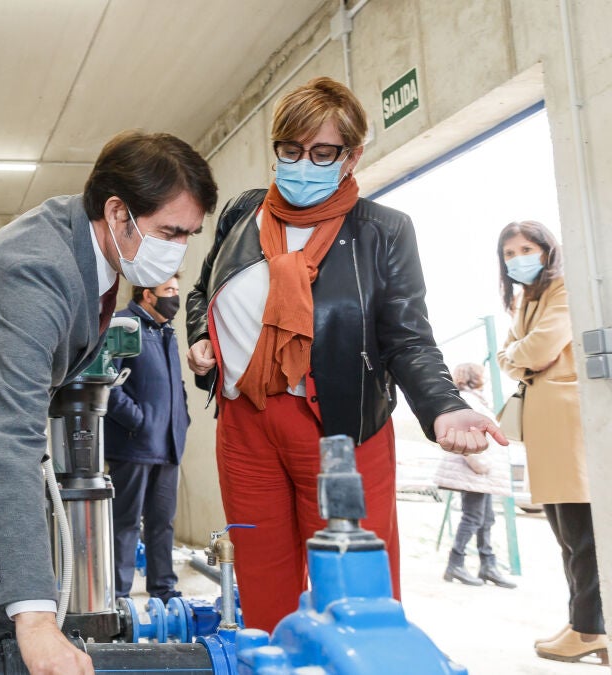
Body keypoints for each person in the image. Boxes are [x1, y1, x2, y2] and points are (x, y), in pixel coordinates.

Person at [0, 131, 217, 674]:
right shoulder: (37, 274)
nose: (179, 249)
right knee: (16, 590)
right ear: (118, 212)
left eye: (189, 235)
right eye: (170, 232)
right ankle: (9, 653)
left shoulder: (91, 242)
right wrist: (37, 622)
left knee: (16, 565)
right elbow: (8, 437)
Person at [184, 77, 506, 634]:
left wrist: (444, 405)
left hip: (341, 427)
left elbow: (406, 336)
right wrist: (201, 337)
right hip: (245, 425)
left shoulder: (384, 231)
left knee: (354, 584)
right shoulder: (242, 213)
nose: (301, 164)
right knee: (261, 577)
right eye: (290, 150)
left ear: (352, 156)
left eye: (322, 153)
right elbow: (200, 292)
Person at [496, 221, 606, 663]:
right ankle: (583, 621)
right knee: (566, 533)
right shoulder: (528, 298)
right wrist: (519, 357)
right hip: (547, 425)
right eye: (509, 253)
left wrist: (518, 357)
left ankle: (591, 628)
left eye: (526, 249)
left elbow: (537, 350)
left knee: (582, 531)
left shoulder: (563, 288)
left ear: (547, 250)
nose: (517, 258)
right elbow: (507, 355)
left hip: (566, 421)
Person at [104, 275, 190, 602]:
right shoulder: (123, 325)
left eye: (177, 291)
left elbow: (176, 384)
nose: (175, 297)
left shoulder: (166, 331)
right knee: (125, 523)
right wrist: (138, 421)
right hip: (133, 445)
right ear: (147, 295)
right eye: (169, 291)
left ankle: (164, 591)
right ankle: (119, 596)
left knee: (162, 523)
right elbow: (108, 381)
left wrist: (181, 418)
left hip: (168, 445)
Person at [434, 363, 516, 589]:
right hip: (475, 470)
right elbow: (465, 434)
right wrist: (481, 464)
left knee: (486, 518)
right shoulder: (468, 400)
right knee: (473, 517)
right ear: (474, 376)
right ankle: (455, 564)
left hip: (481, 472)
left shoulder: (475, 399)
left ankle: (488, 565)